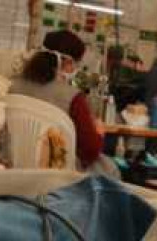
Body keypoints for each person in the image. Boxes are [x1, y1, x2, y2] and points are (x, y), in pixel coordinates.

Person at [10, 30, 104, 170]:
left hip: (14, 169)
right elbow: (90, 151)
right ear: (67, 62)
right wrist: (100, 133)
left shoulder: (13, 87)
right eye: (76, 64)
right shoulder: (73, 98)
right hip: (58, 175)